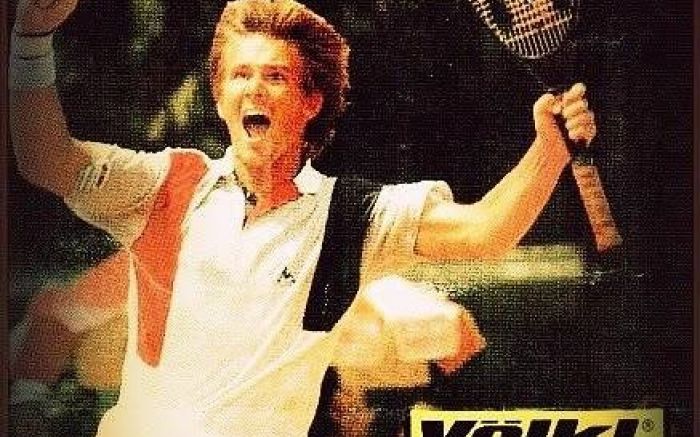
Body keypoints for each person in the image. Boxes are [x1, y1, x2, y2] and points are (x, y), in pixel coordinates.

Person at [10, 0, 596, 435]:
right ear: (219, 96)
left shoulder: (352, 217)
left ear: (312, 102)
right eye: (239, 74)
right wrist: (31, 42)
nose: (254, 90)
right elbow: (44, 159)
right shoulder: (166, 186)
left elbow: (484, 231)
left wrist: (548, 151)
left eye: (276, 76)